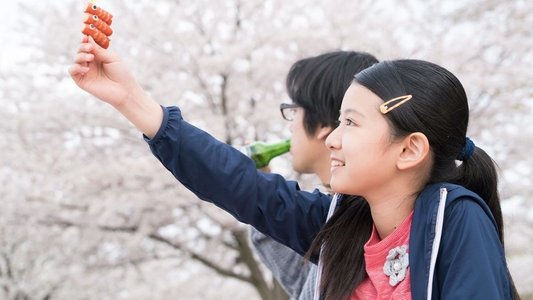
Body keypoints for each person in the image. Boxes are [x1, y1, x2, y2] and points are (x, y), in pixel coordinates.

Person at [70, 35, 520, 299]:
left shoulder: (455, 218)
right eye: (337, 120)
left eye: (350, 123)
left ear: (409, 150)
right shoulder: (339, 224)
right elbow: (239, 184)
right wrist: (130, 99)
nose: (333, 138)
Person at [250, 51, 378, 299]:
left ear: (321, 124)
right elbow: (304, 283)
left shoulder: (368, 217)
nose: (290, 125)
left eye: (293, 111)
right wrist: (261, 188)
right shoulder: (337, 211)